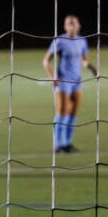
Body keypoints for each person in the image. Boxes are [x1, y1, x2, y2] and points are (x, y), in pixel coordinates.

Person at [42, 15, 98, 153]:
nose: (72, 26)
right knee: (62, 111)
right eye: (69, 23)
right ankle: (57, 144)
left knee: (73, 112)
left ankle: (67, 144)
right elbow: (46, 61)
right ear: (65, 26)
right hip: (63, 81)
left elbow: (83, 60)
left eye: (74, 23)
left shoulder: (82, 41)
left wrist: (92, 68)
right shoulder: (60, 41)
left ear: (79, 26)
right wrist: (52, 77)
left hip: (77, 81)